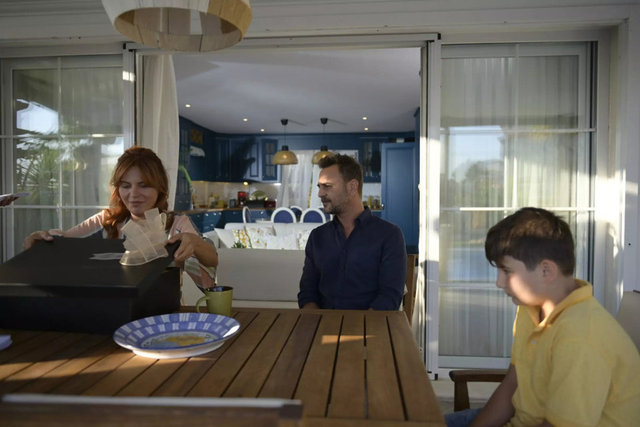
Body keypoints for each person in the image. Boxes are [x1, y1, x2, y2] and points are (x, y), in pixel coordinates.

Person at [446, 207, 640, 427]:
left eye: (507, 271)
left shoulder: (581, 337)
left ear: (546, 271)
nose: (499, 283)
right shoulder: (531, 307)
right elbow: (513, 384)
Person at [24, 146, 218, 288]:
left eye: (143, 185)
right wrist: (40, 240)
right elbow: (64, 242)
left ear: (160, 188)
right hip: (111, 307)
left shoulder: (176, 223)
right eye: (126, 186)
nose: (133, 194)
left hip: (163, 311)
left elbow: (212, 260)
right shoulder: (106, 221)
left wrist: (195, 243)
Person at [298, 154, 407, 310]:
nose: (320, 194)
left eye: (327, 186)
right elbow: (307, 293)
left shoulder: (389, 235)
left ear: (352, 187)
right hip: (322, 323)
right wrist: (316, 321)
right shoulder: (317, 237)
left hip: (370, 324)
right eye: (319, 187)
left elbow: (389, 297)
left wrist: (359, 324)